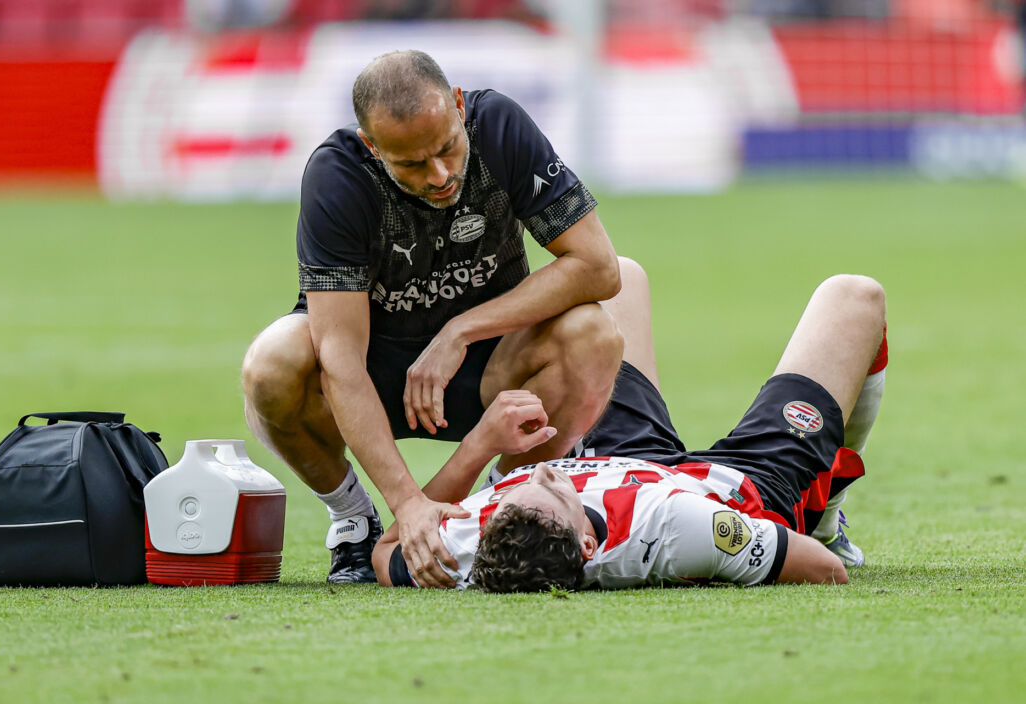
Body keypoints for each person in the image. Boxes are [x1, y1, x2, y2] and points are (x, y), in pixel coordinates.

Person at [240, 50, 623, 586]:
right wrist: (409, 504)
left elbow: (599, 267)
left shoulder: (500, 127)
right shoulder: (338, 177)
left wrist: (460, 330)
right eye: (413, 164)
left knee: (593, 332)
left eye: (447, 148)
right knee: (270, 366)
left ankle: (508, 506)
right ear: (373, 148)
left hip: (488, 362)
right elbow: (341, 359)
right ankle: (353, 524)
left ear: (460, 107)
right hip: (370, 378)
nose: (441, 174)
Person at [372, 258, 888, 591]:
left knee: (621, 276)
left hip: (621, 455)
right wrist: (772, 545)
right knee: (855, 297)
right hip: (735, 488)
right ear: (589, 547)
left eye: (508, 493)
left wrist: (481, 443)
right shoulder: (676, 529)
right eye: (553, 486)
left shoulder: (471, 550)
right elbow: (825, 571)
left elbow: (388, 550)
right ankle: (827, 516)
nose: (539, 473)